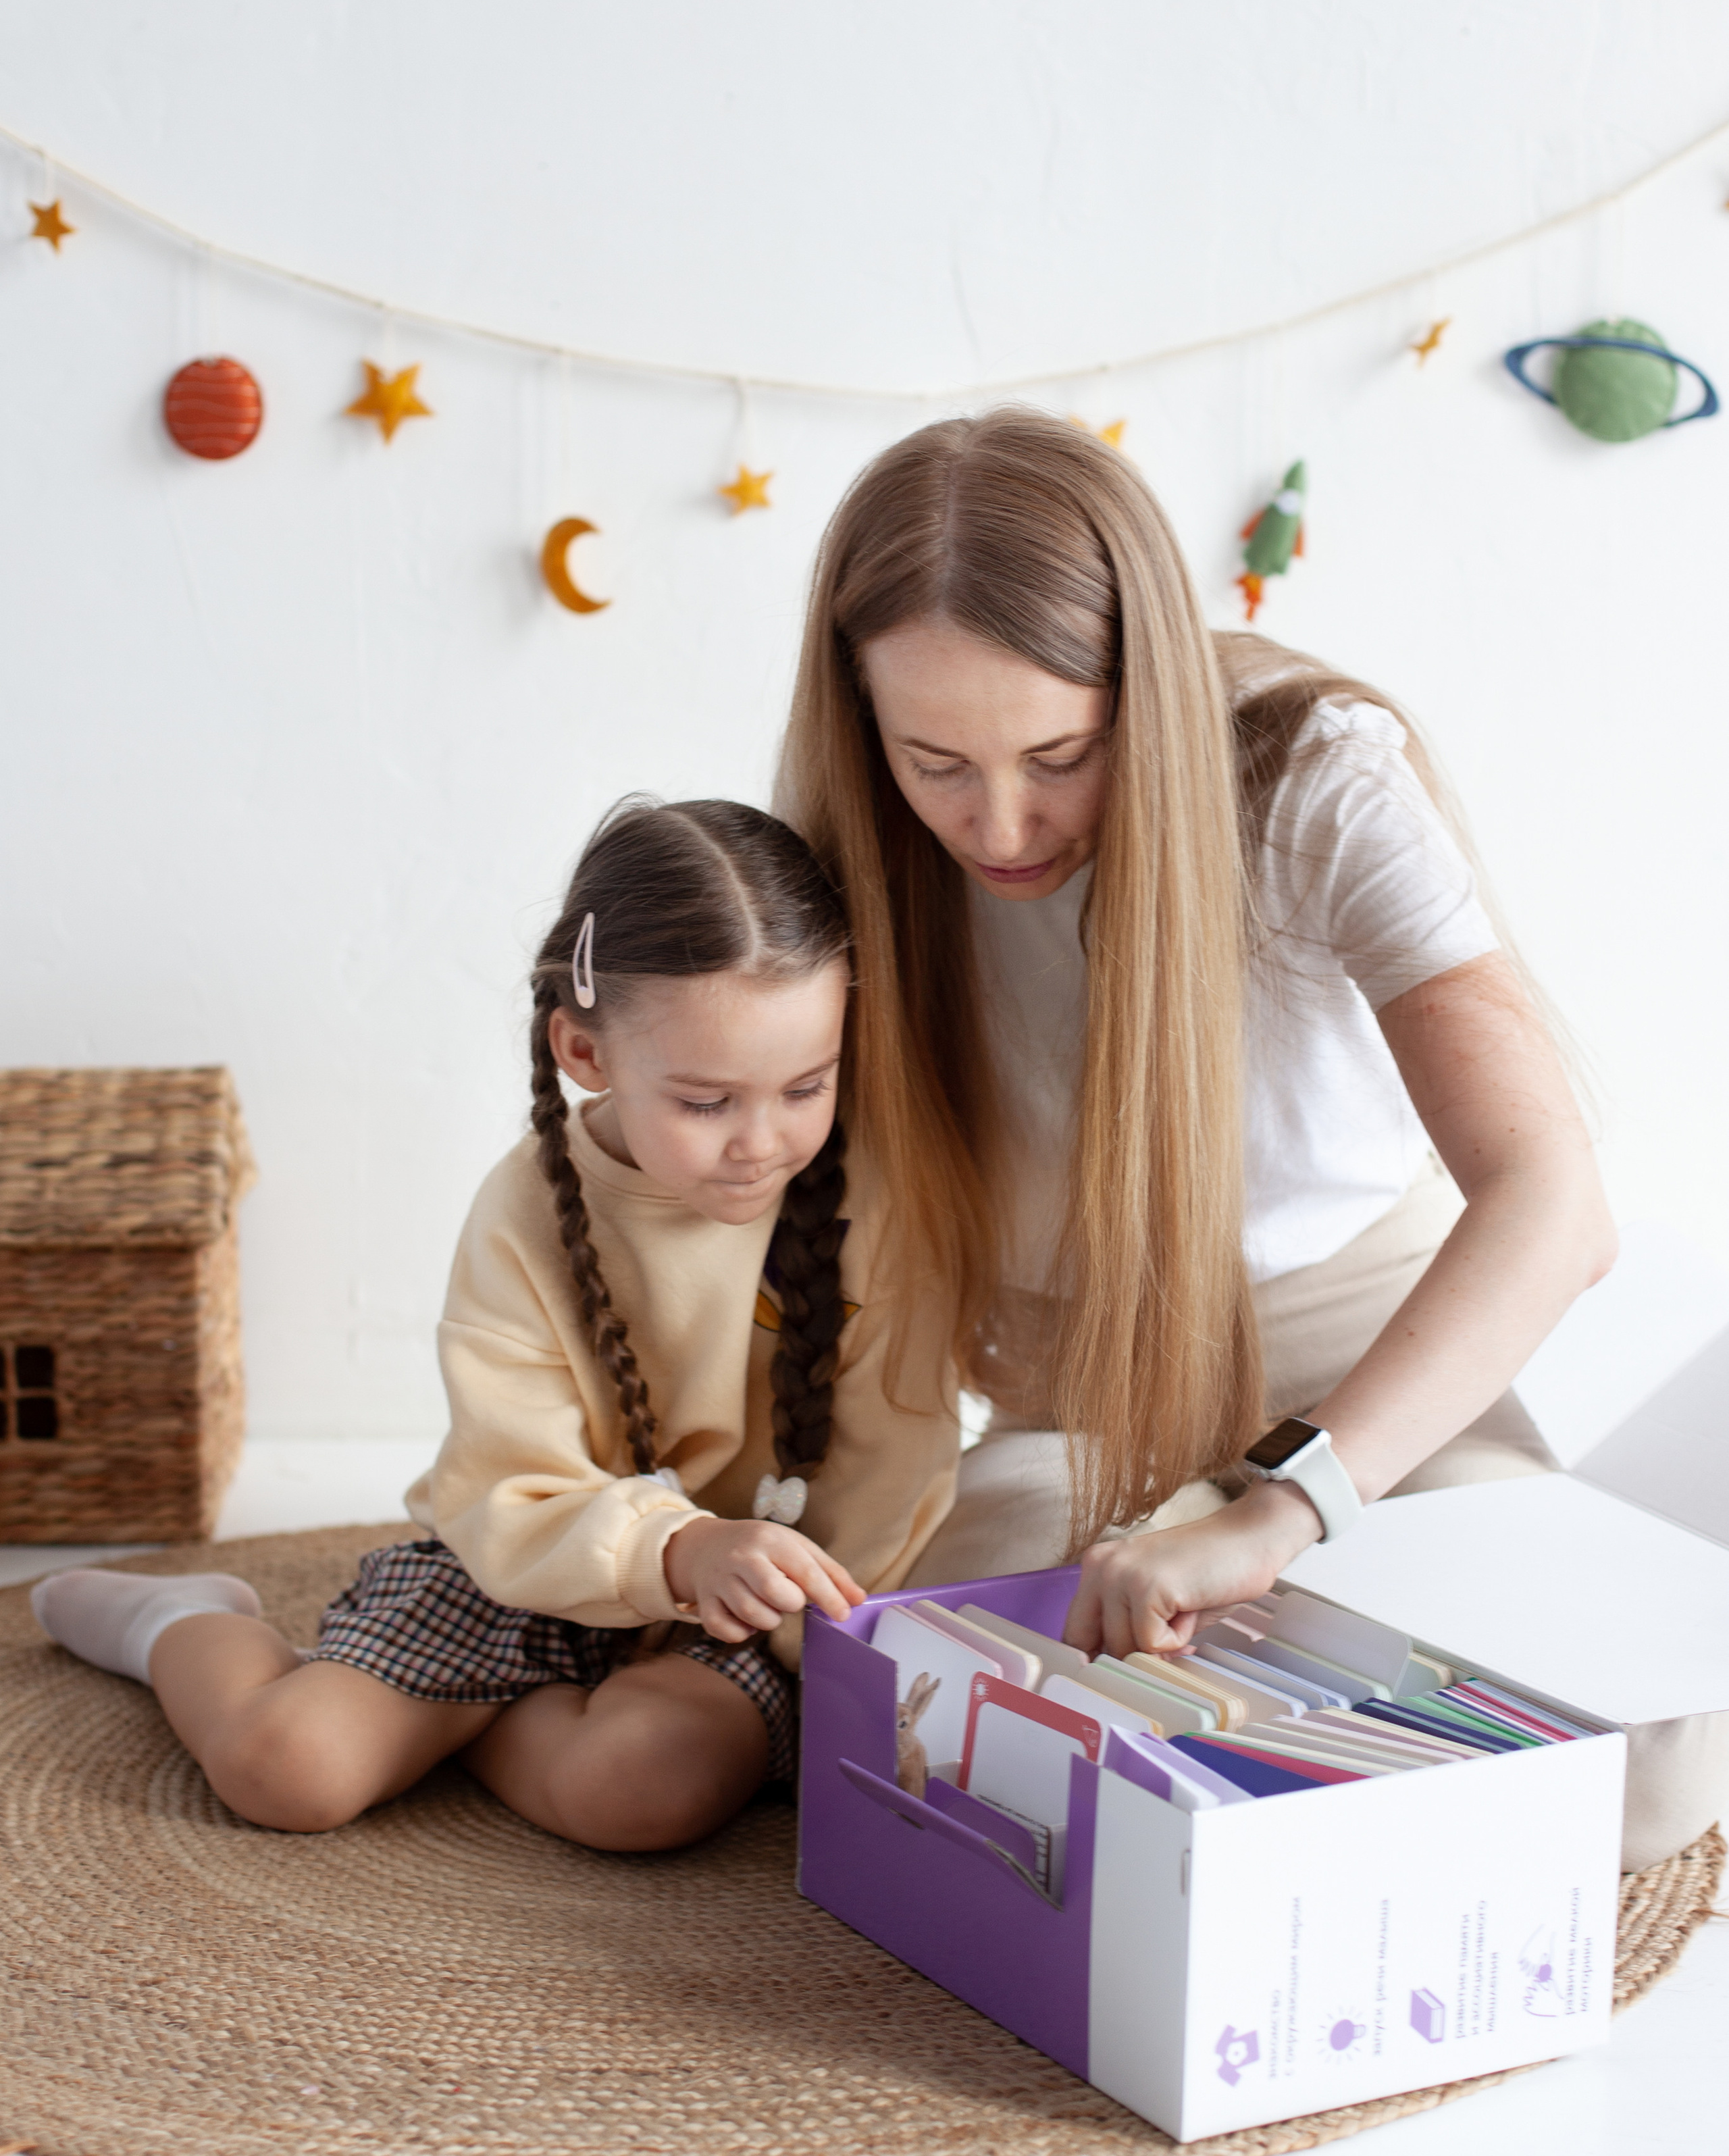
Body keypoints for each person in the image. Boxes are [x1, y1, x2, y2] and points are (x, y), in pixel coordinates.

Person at [778, 410, 1724, 1870]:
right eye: (934, 761)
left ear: (1143, 689)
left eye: (1060, 752)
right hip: (1073, 1405)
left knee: (1644, 1781)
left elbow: (1552, 1201)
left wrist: (1286, 1507)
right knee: (906, 1698)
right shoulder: (848, 835)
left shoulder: (1311, 774)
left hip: (1378, 1396)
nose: (1001, 824)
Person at [33, 800, 958, 1851]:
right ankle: (179, 1622)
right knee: (285, 1768)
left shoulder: (872, 1210)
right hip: (541, 1566)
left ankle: (462, 1717)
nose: (760, 1142)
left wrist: (803, 1626)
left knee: (642, 1791)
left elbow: (895, 1480)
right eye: (705, 1103)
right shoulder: (526, 1212)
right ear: (585, 1050)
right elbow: (506, 1486)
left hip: (749, 1621)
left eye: (805, 1087)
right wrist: (677, 1548)